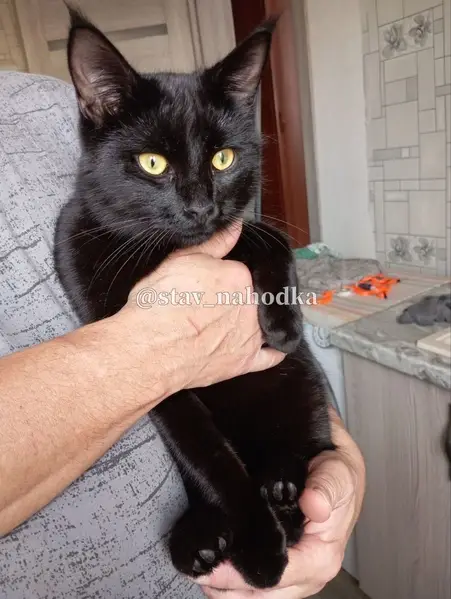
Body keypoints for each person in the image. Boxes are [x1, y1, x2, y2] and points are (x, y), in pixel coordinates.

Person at [0, 71, 365, 599]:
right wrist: (240, 506)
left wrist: (338, 455)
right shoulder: (89, 241)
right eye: (156, 165)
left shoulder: (47, 98)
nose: (199, 203)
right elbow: (161, 386)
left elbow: (284, 345)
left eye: (221, 161)